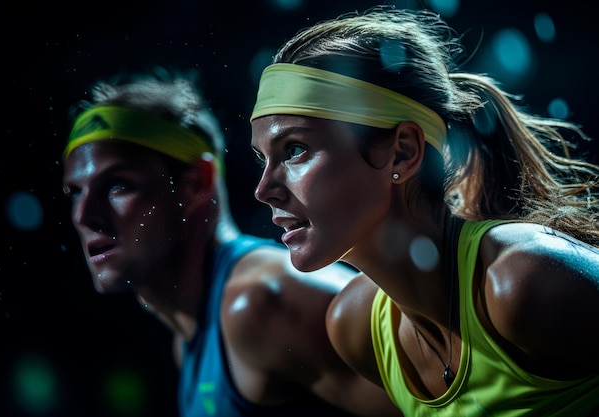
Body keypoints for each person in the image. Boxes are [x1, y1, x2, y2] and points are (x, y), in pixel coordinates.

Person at [249, 5, 599, 416]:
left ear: (403, 151)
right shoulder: (355, 328)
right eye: (262, 159)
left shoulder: (524, 282)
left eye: (295, 149)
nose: (264, 190)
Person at [61, 67, 400, 417]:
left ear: (197, 181)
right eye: (76, 193)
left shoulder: (260, 302)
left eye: (117, 186)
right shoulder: (195, 331)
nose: (84, 215)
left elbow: (447, 399)